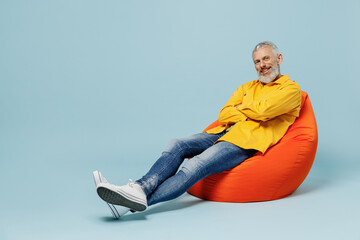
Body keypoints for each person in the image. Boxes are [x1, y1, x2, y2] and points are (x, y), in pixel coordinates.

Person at [94, 41, 302, 217]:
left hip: (244, 142)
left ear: (279, 59)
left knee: (195, 167)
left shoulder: (291, 90)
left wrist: (243, 109)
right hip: (221, 132)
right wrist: (251, 111)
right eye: (257, 61)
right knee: (177, 144)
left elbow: (265, 111)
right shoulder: (247, 87)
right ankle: (138, 188)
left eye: (266, 59)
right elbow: (225, 113)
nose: (262, 65)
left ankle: (128, 204)